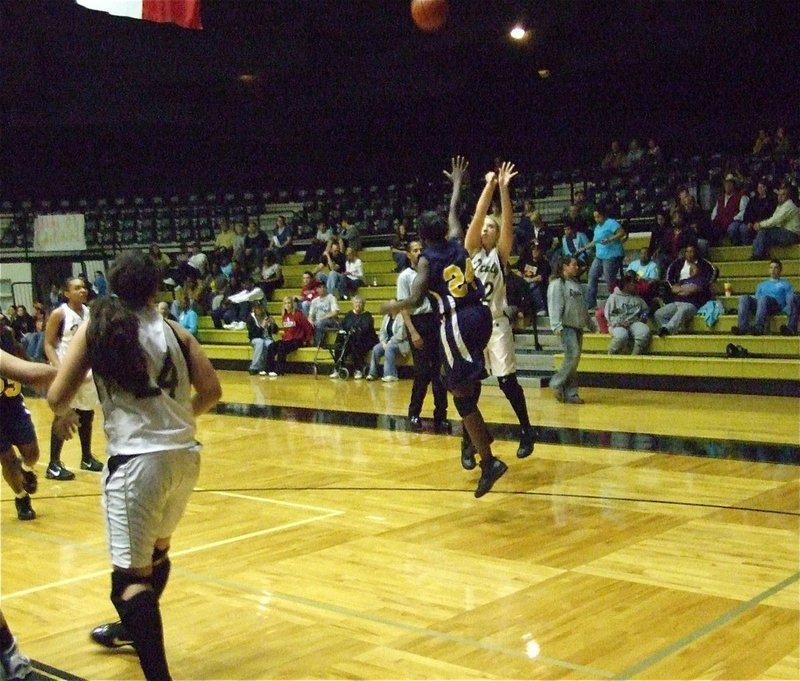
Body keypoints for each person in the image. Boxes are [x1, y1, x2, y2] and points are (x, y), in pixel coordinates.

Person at [47, 250, 222, 681]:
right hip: (184, 456)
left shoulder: (98, 328)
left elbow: (56, 396)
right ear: (156, 289)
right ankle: (131, 630)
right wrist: (174, 421)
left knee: (127, 582)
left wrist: (63, 410)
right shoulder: (178, 332)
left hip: (136, 464)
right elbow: (212, 390)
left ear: (110, 285)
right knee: (157, 552)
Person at [383, 157, 509, 499]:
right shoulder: (455, 240)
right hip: (481, 315)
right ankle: (479, 440)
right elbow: (454, 211)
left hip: (458, 322)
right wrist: (457, 182)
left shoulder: (427, 259)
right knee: (459, 385)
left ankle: (486, 457)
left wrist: (396, 306)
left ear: (423, 237)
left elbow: (418, 294)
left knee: (459, 392)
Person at [0, 348, 77, 680]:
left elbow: (36, 373)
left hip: (12, 408)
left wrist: (61, 397)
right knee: (7, 460)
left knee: (31, 456)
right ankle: (20, 496)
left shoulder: (7, 346)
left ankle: (8, 652)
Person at [461, 157, 537, 465]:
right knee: (471, 387)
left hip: (495, 323)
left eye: (491, 228)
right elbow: (479, 214)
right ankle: (468, 443)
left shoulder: (499, 256)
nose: (487, 229)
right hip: (473, 327)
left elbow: (507, 221)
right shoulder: (470, 249)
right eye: (485, 227)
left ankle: (527, 430)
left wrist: (504, 190)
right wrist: (488, 186)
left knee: (507, 382)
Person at [43, 276, 102, 480]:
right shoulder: (59, 314)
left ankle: (86, 457)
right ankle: (53, 463)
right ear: (67, 293)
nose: (82, 291)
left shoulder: (89, 313)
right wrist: (59, 371)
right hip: (66, 369)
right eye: (77, 288)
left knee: (87, 412)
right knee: (62, 413)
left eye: (84, 288)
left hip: (86, 370)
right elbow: (49, 345)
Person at [397, 239, 450, 433]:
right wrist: (412, 331)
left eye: (421, 249)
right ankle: (413, 413)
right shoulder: (405, 277)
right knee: (421, 372)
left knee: (439, 372)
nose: (419, 252)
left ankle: (441, 416)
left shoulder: (431, 274)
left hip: (434, 321)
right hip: (417, 323)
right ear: (408, 254)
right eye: (415, 250)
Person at [547, 256, 590, 404]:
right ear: (564, 266)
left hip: (578, 326)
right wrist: (556, 325)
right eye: (574, 265)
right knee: (573, 355)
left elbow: (582, 307)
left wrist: (590, 323)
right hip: (565, 326)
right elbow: (554, 304)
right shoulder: (557, 284)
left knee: (574, 360)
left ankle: (571, 393)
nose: (577, 267)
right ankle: (556, 382)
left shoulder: (576, 284)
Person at [655, 245, 717, 336]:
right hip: (676, 302)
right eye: (690, 269)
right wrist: (685, 290)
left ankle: (667, 329)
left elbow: (694, 289)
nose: (691, 270)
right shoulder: (683, 280)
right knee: (659, 313)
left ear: (697, 269)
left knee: (683, 310)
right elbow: (673, 289)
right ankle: (668, 331)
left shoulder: (702, 279)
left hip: (691, 305)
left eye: (693, 268)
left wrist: (682, 290)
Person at [732, 259, 795, 336]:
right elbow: (756, 299)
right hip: (762, 305)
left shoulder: (785, 284)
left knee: (763, 298)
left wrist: (786, 311)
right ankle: (742, 328)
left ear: (780, 270)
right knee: (744, 297)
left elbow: (790, 301)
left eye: (776, 268)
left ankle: (759, 328)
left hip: (775, 306)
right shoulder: (761, 285)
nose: (773, 270)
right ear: (768, 270)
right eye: (771, 268)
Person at [581, 206, 626, 310]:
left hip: (611, 255)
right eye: (595, 217)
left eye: (598, 217)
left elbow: (621, 233)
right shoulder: (597, 227)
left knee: (609, 279)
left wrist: (610, 239)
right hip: (599, 256)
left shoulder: (611, 223)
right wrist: (583, 248)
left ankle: (616, 302)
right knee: (592, 276)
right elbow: (595, 241)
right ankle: (591, 303)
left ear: (603, 215)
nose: (596, 219)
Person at [262, 296, 313, 377]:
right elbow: (287, 331)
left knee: (282, 347)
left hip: (297, 340)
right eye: (285, 303)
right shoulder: (284, 316)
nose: (287, 305)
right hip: (287, 339)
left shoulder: (298, 314)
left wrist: (307, 340)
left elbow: (308, 327)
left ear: (292, 304)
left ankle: (279, 370)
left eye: (289, 303)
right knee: (272, 346)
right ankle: (268, 368)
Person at [604, 272, 651, 355]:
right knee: (621, 336)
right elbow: (608, 316)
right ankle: (610, 355)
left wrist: (643, 317)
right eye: (633, 283)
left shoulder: (637, 298)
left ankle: (634, 356)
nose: (635, 286)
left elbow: (645, 310)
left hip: (634, 322)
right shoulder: (613, 297)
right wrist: (619, 323)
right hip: (617, 325)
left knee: (643, 331)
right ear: (626, 284)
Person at [751, 184, 800, 260]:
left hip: (791, 235)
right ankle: (759, 254)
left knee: (764, 231)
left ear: (788, 196)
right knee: (762, 232)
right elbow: (774, 220)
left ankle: (758, 255)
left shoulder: (789, 206)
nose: (779, 197)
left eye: (783, 195)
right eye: (779, 194)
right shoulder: (781, 206)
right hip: (784, 233)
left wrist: (760, 224)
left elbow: (775, 221)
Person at [333, 296, 377, 379]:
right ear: (353, 304)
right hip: (349, 339)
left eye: (360, 303)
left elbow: (366, 329)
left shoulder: (367, 316)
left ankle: (358, 369)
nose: (358, 305)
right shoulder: (349, 314)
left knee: (356, 343)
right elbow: (342, 326)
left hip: (365, 340)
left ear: (363, 305)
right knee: (339, 344)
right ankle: (338, 367)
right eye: (356, 303)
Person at [367, 302, 409, 382]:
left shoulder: (402, 317)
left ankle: (390, 374)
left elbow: (401, 335)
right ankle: (372, 373)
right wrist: (383, 342)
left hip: (401, 343)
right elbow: (382, 332)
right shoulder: (386, 317)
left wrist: (389, 342)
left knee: (389, 348)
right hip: (386, 343)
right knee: (376, 348)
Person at [709, 174, 748, 248]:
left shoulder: (741, 196)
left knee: (732, 229)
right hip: (721, 222)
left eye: (729, 183)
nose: (727, 186)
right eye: (726, 184)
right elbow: (715, 211)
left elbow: (743, 212)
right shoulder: (720, 198)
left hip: (734, 221)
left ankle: (736, 246)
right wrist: (714, 219)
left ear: (734, 185)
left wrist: (733, 219)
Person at [246, 300, 278, 374]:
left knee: (270, 344)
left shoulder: (267, 315)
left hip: (267, 338)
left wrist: (273, 324)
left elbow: (275, 331)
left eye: (261, 307)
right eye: (258, 308)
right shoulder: (250, 318)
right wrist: (262, 327)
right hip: (255, 339)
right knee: (260, 342)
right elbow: (254, 334)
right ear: (254, 309)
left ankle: (268, 367)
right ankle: (254, 367)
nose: (260, 310)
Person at [307, 280, 339, 346]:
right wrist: (310, 321)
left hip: (332, 321)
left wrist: (322, 318)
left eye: (324, 287)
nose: (322, 289)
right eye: (320, 287)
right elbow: (310, 315)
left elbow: (335, 312)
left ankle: (318, 344)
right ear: (317, 289)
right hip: (319, 322)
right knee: (309, 324)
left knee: (321, 323)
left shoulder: (331, 298)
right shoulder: (314, 301)